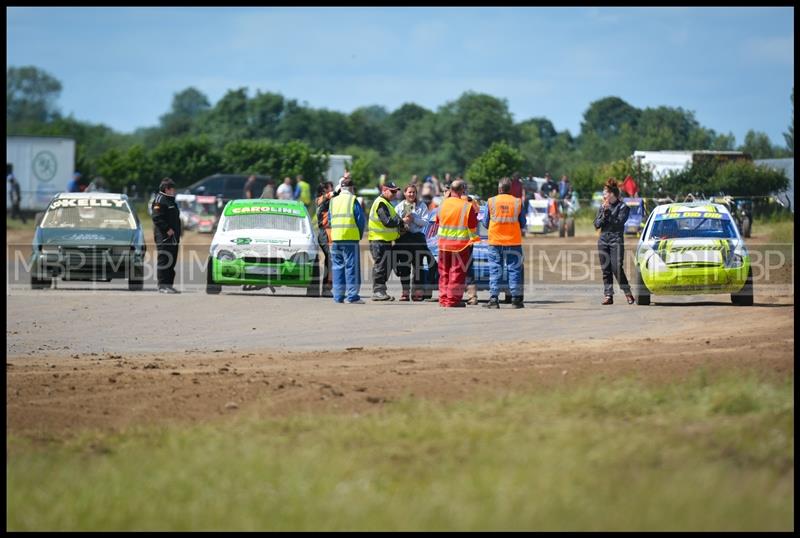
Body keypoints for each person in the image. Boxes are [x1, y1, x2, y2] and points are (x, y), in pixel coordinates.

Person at [483, 178, 526, 309]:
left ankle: (494, 299)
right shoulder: (517, 202)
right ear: (510, 189)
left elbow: (485, 222)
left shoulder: (491, 201)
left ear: (499, 188)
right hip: (513, 241)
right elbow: (523, 223)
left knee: (495, 268)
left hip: (495, 241)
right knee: (514, 269)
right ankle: (515, 299)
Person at [435, 179, 478, 308]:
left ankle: (443, 299)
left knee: (444, 273)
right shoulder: (466, 206)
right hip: (460, 246)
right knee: (457, 273)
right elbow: (472, 225)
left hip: (443, 244)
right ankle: (452, 300)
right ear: (462, 190)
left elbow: (438, 222)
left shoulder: (442, 204)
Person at [594, 178, 635, 305]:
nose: (603, 195)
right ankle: (608, 296)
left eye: (605, 192)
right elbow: (596, 224)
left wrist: (608, 214)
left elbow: (618, 223)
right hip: (603, 239)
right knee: (606, 269)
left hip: (616, 239)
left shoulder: (623, 207)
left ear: (612, 193)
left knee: (616, 267)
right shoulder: (603, 207)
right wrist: (604, 212)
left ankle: (627, 292)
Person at [368, 181, 410, 301]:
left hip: (384, 241)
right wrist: (401, 221)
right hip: (378, 241)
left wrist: (401, 224)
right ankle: (378, 291)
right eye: (392, 191)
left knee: (386, 265)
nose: (394, 193)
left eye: (396, 191)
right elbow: (387, 221)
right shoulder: (381, 203)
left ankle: (381, 291)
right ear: (384, 190)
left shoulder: (387, 203)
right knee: (381, 266)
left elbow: (393, 219)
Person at [329, 175, 366, 304]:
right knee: (351, 267)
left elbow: (329, 219)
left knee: (337, 267)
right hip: (350, 238)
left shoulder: (333, 201)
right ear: (351, 188)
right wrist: (359, 235)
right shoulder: (353, 200)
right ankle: (352, 297)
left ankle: (338, 297)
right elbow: (360, 220)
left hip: (336, 238)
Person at [393, 183, 431, 302]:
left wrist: (414, 219)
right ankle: (405, 292)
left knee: (418, 266)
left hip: (417, 238)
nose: (411, 194)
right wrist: (404, 221)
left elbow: (425, 222)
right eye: (409, 192)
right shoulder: (399, 207)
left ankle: (417, 292)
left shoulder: (422, 206)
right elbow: (395, 223)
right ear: (405, 193)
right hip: (404, 238)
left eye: (413, 192)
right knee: (404, 266)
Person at [151, 178, 182, 294]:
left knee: (172, 261)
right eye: (172, 188)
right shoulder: (160, 200)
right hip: (164, 237)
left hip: (174, 237)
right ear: (167, 189)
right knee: (164, 260)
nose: (174, 191)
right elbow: (156, 217)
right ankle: (162, 286)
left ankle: (169, 285)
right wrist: (167, 229)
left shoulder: (171, 200)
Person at [315, 180, 335, 296]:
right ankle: (326, 288)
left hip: (330, 232)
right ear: (324, 190)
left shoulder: (329, 199)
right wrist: (331, 194)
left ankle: (328, 287)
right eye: (330, 187)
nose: (331, 190)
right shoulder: (320, 199)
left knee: (330, 259)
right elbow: (322, 200)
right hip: (324, 233)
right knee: (330, 257)